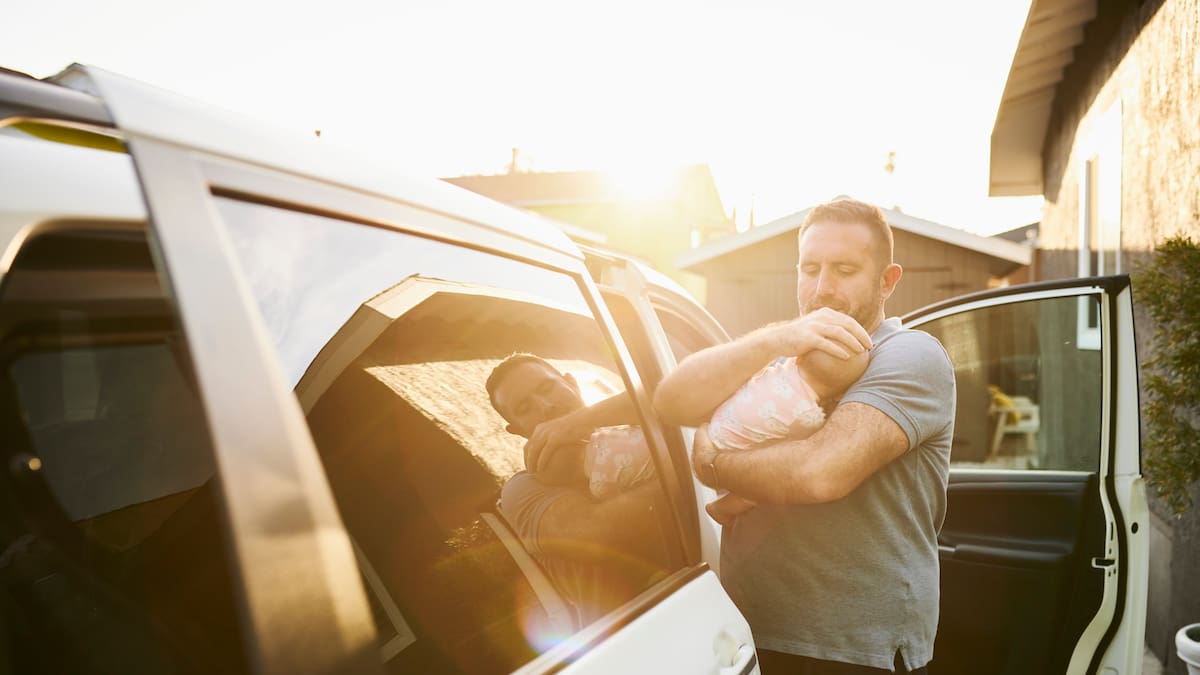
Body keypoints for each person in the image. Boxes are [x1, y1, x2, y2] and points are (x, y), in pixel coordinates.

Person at [654, 197, 956, 674]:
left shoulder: (910, 356)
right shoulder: (783, 361)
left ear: (887, 280)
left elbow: (820, 474)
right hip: (745, 635)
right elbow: (670, 401)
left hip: (852, 651)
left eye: (844, 269)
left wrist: (713, 462)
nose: (822, 288)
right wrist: (777, 340)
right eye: (809, 268)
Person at [485, 354, 668, 628]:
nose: (546, 406)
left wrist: (583, 419)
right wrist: (690, 466)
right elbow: (595, 536)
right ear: (518, 431)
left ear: (572, 383)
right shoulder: (523, 488)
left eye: (547, 388)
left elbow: (682, 392)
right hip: (636, 633)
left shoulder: (631, 427)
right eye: (525, 408)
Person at [705, 347, 868, 525]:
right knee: (776, 473)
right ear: (840, 394)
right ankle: (721, 508)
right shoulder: (808, 414)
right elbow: (802, 449)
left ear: (799, 359)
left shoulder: (780, 368)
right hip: (731, 450)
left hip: (719, 424)